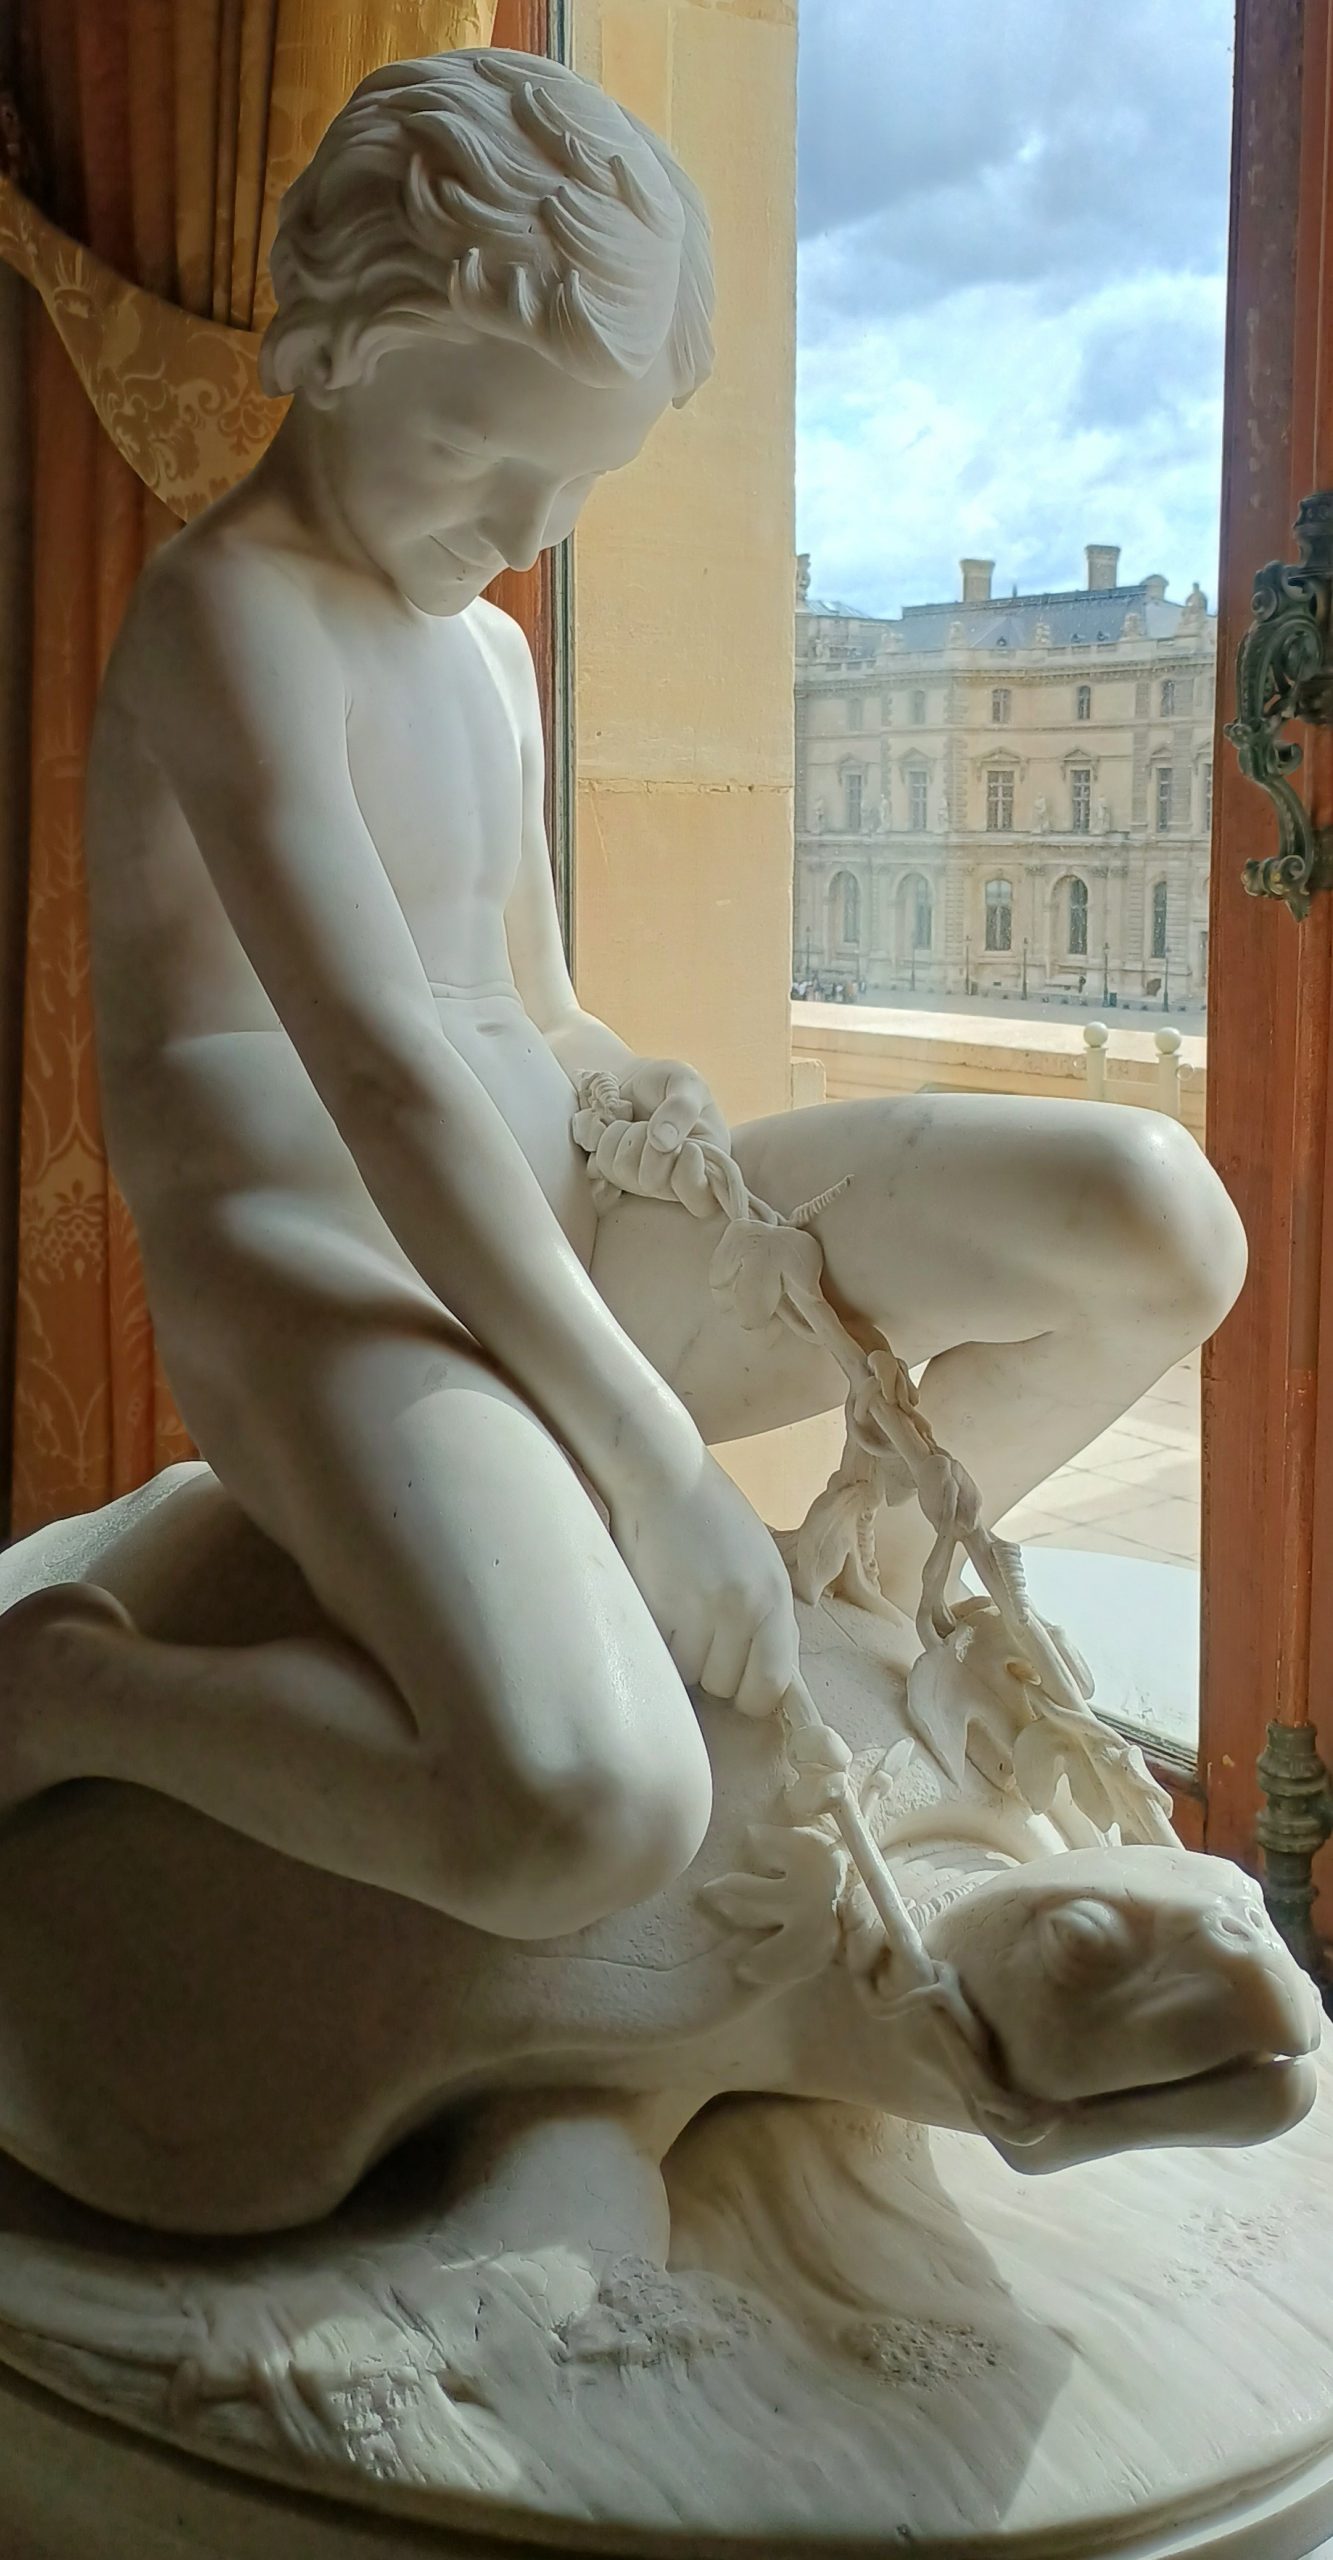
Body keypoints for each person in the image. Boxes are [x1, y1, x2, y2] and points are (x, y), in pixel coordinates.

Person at [0, 51, 1247, 1945]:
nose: (529, 529)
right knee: (578, 1811)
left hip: (573, 1237)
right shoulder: (227, 616)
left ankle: (856, 1595)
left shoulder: (487, 660)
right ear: (331, 348)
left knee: (1155, 1218)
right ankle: (79, 1695)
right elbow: (389, 1075)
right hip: (347, 1300)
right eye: (477, 452)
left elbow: (529, 1010)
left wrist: (630, 1082)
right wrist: (657, 1469)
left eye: (583, 477)